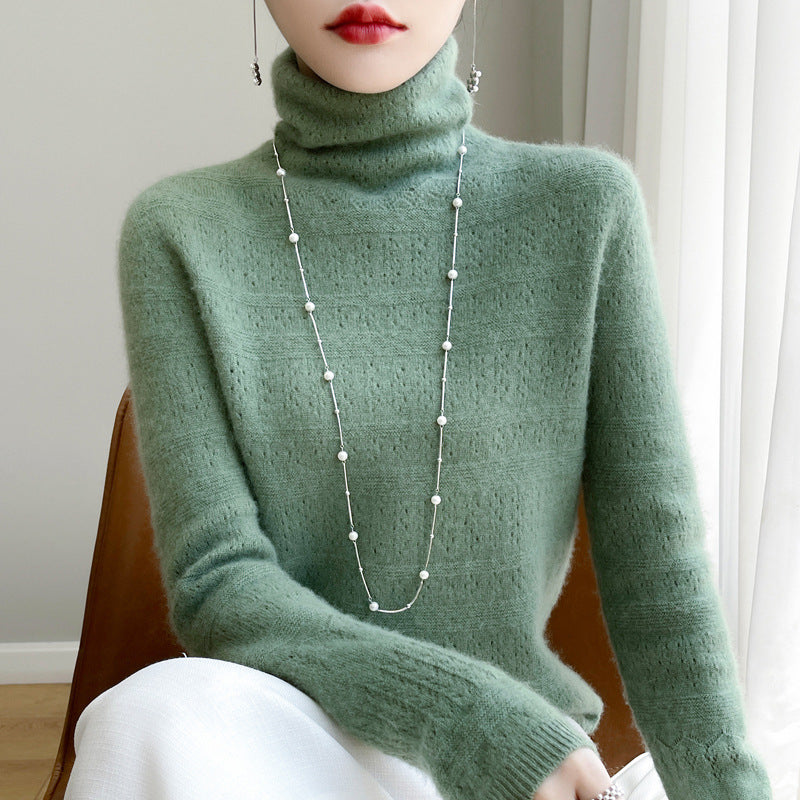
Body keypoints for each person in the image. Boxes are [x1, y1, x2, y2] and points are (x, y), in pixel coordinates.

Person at [65, 2, 773, 799]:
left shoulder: (584, 207)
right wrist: (470, 722)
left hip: (533, 772)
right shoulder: (180, 231)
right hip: (288, 745)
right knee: (146, 716)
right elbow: (218, 583)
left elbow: (658, 569)